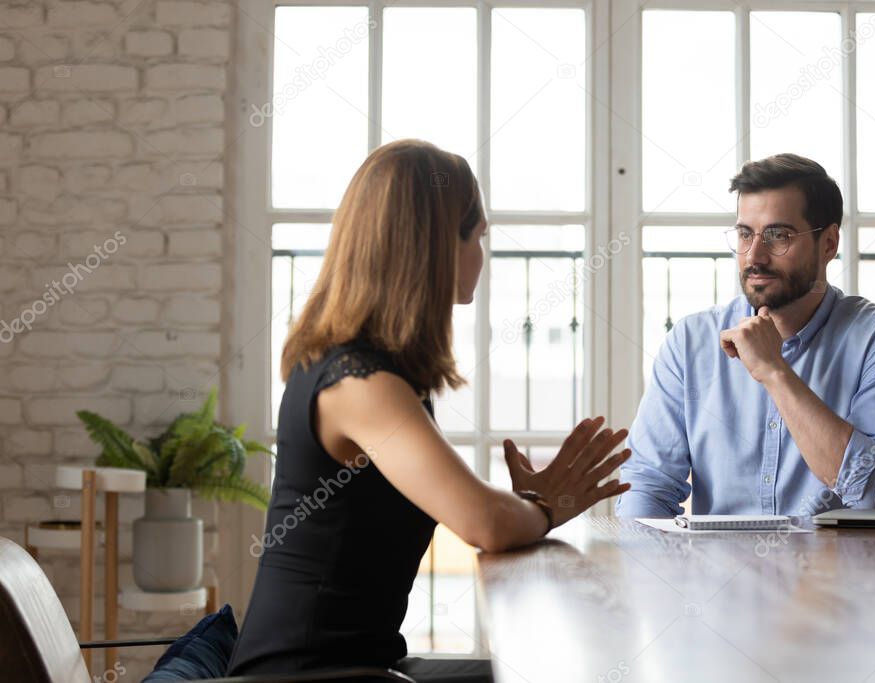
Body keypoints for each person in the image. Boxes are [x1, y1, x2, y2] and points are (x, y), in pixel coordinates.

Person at [227, 139, 630, 681]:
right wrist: (547, 506)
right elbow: (482, 521)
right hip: (306, 675)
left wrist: (533, 503)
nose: (482, 255)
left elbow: (479, 510)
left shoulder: (368, 369)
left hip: (360, 665)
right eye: (478, 237)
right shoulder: (358, 382)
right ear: (439, 245)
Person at [616, 153, 875, 518]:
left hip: (839, 574)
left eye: (779, 236)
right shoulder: (691, 342)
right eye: (745, 234)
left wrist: (775, 371)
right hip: (718, 572)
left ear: (828, 243)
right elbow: (647, 488)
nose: (755, 256)